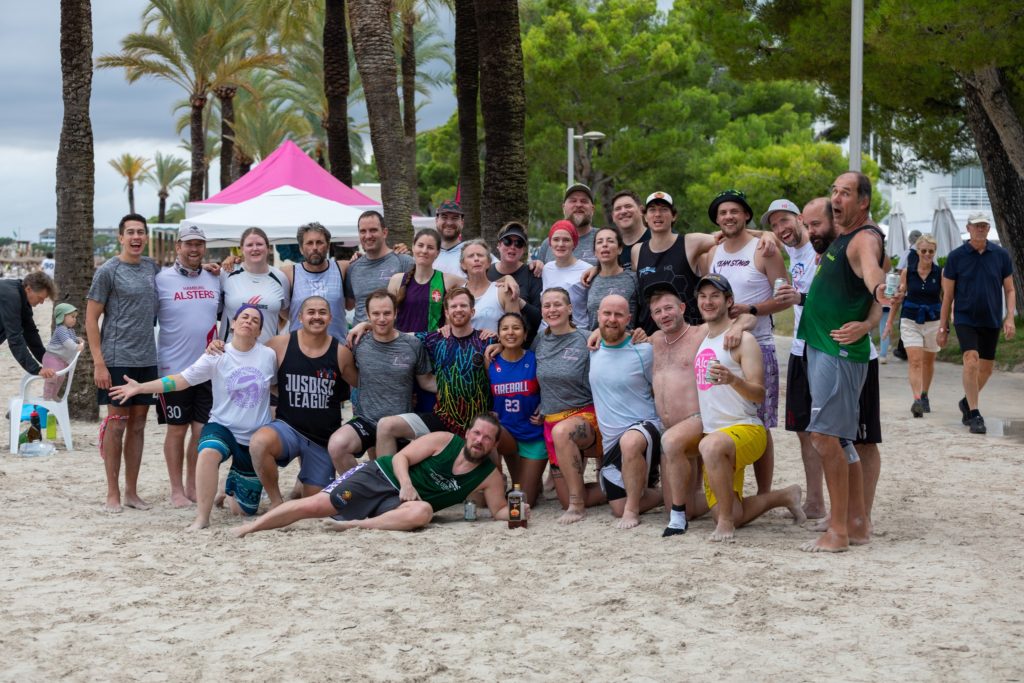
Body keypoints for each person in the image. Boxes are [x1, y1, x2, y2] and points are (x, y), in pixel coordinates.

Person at [110, 304, 276, 530]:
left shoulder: (268, 356)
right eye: (244, 317)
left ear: (259, 331)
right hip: (223, 427)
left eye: (255, 320)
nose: (249, 321)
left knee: (243, 511)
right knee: (208, 451)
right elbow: (181, 380)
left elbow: (276, 387)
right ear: (233, 324)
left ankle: (224, 490)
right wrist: (140, 387)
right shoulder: (217, 355)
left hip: (254, 438)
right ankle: (202, 518)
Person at [798, 172, 893, 553]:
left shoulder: (864, 239)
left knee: (824, 438)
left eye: (846, 193)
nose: (836, 198)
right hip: (826, 348)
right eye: (834, 191)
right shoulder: (843, 235)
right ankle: (856, 522)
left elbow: (872, 270)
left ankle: (837, 532)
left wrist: (880, 290)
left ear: (863, 202)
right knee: (840, 439)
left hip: (837, 352)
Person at [234, 415, 522, 536]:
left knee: (423, 512)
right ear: (468, 433)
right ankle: (250, 528)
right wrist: (406, 484)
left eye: (487, 438)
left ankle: (356, 525)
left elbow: (499, 510)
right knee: (314, 505)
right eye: (477, 433)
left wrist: (519, 511)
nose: (480, 440)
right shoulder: (445, 441)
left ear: (494, 444)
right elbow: (401, 457)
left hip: (399, 505)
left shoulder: (489, 476)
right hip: (381, 476)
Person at [777, 197, 884, 524]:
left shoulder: (860, 242)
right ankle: (837, 511)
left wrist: (869, 323)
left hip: (850, 354)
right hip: (812, 349)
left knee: (860, 439)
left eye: (815, 224)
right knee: (821, 434)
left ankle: (858, 517)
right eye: (808, 225)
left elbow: (877, 285)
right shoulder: (823, 249)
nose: (810, 231)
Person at [692, 274, 805, 542]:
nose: (708, 301)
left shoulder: (744, 340)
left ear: (729, 301)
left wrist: (732, 380)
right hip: (714, 433)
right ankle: (784, 496)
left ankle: (726, 525)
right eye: (703, 296)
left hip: (745, 428)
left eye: (715, 296)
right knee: (731, 510)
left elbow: (759, 394)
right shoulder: (702, 337)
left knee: (710, 447)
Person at [646, 281, 754, 536]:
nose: (664, 315)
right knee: (689, 508)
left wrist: (737, 327)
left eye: (669, 308)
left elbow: (748, 317)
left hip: (698, 420)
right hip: (670, 428)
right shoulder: (654, 340)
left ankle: (678, 518)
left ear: (683, 308)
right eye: (658, 311)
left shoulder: (700, 333)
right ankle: (729, 501)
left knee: (671, 444)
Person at [706, 190, 791, 495]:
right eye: (723, 213)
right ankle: (729, 489)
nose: (728, 217)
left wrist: (751, 309)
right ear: (717, 219)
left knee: (760, 422)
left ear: (746, 215)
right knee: (726, 420)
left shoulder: (765, 249)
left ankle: (764, 493)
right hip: (721, 348)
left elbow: (785, 298)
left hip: (759, 345)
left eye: (735, 211)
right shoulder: (712, 252)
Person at [246, 296, 358, 507]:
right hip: (287, 428)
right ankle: (276, 502)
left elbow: (361, 384)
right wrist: (218, 347)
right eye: (311, 312)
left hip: (322, 439)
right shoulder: (279, 344)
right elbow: (246, 357)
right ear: (300, 317)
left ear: (330, 317)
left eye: (322, 312)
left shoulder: (341, 353)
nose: (317, 317)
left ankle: (302, 483)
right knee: (259, 443)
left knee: (313, 502)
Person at [86, 213, 162, 514]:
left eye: (140, 232)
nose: (136, 237)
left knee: (139, 425)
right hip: (117, 359)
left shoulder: (151, 267)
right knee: (116, 424)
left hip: (147, 358)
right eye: (130, 232)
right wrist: (99, 363)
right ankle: (112, 493)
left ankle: (131, 491)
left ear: (146, 237)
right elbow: (91, 318)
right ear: (121, 237)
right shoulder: (108, 270)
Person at [374, 287, 495, 454]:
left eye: (463, 305)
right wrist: (366, 325)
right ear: (446, 312)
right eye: (453, 306)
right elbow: (396, 335)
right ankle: (385, 472)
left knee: (491, 464)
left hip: (477, 423)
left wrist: (500, 343)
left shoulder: (487, 340)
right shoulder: (435, 339)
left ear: (472, 311)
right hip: (441, 419)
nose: (458, 309)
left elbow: (512, 348)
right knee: (386, 426)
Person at [153, 225, 221, 507]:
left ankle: (193, 485)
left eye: (199, 244)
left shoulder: (215, 278)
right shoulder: (161, 280)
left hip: (207, 369)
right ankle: (176, 490)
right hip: (173, 370)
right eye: (189, 244)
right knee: (177, 430)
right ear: (178, 246)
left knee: (201, 431)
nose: (194, 249)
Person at [328, 290, 433, 470]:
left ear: (396, 313)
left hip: (399, 424)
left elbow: (426, 381)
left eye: (387, 313)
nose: (382, 319)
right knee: (337, 446)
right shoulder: (358, 342)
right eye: (376, 314)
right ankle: (359, 485)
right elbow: (345, 371)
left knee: (387, 472)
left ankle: (382, 483)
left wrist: (457, 388)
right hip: (367, 420)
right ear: (368, 315)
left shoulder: (412, 344)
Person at [588, 295, 664, 529]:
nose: (612, 319)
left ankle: (632, 511)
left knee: (630, 442)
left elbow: (661, 388)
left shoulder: (644, 350)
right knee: (617, 507)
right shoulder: (591, 347)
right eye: (607, 313)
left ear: (628, 319)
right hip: (612, 442)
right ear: (598, 316)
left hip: (644, 428)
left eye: (618, 315)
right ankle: (669, 493)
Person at [939, 211, 1016, 434]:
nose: (980, 229)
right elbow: (947, 296)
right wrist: (943, 327)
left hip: (991, 318)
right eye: (976, 225)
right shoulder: (956, 257)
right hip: (965, 318)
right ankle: (974, 414)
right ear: (968, 228)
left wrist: (1010, 317)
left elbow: (1010, 290)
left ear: (988, 228)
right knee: (971, 361)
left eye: (984, 225)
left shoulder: (1001, 255)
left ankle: (966, 402)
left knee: (986, 370)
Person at [532, 288, 605, 523]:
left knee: (562, 432)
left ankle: (577, 506)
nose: (552, 310)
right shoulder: (540, 340)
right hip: (551, 420)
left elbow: (619, 336)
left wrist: (605, 331)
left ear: (570, 308)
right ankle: (621, 488)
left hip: (584, 416)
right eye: (547, 306)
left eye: (558, 304)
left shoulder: (587, 338)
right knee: (563, 498)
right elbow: (523, 361)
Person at [633, 191, 719, 332]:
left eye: (664, 209)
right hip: (651, 337)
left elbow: (727, 235)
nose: (658, 214)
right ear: (645, 217)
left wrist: (760, 234)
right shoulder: (637, 251)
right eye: (652, 210)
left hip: (690, 334)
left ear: (674, 216)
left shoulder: (691, 242)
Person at [489, 312, 546, 505]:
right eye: (505, 328)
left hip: (533, 433)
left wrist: (545, 407)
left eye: (516, 328)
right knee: (488, 432)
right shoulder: (491, 361)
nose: (510, 332)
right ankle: (497, 484)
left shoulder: (536, 359)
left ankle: (531, 483)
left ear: (525, 333)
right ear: (498, 334)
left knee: (525, 499)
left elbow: (551, 388)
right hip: (507, 434)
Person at [884, 233, 942, 417]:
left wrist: (946, 323)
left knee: (928, 361)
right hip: (910, 320)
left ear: (935, 252)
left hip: (933, 321)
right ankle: (917, 399)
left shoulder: (940, 273)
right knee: (915, 361)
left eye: (930, 251)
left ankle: (924, 395)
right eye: (923, 251)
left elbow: (946, 298)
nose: (927, 254)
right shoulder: (907, 272)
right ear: (917, 251)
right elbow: (898, 298)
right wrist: (889, 322)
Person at [220, 227, 290, 344]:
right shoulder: (227, 272)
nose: (255, 248)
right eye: (249, 245)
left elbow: (287, 314)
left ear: (268, 248)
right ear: (242, 249)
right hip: (231, 352)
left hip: (268, 351)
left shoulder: (280, 277)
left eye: (259, 244)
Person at [282, 222, 350, 341]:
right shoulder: (289, 273)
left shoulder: (343, 268)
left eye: (319, 242)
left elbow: (350, 305)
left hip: (338, 346)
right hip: (299, 347)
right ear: (301, 248)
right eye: (309, 243)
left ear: (328, 246)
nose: (314, 247)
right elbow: (284, 311)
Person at [344, 211, 414, 326]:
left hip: (393, 335)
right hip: (360, 336)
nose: (368, 236)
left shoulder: (404, 262)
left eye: (373, 230)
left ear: (385, 232)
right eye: (363, 231)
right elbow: (349, 305)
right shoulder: (353, 267)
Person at [389, 228, 465, 334]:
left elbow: (478, 287)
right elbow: (386, 315)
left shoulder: (447, 280)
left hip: (433, 342)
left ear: (437, 253)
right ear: (413, 247)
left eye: (430, 247)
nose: (424, 251)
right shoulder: (397, 280)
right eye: (420, 245)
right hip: (402, 342)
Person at [487, 221, 543, 343]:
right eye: (507, 241)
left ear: (523, 250)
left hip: (521, 346)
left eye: (519, 243)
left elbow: (540, 318)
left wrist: (518, 301)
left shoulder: (532, 274)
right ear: (498, 245)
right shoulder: (486, 272)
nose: (512, 246)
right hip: (487, 341)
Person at [1, 272, 57, 379]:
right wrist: (36, 369)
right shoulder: (11, 296)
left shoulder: (22, 298)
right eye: (40, 298)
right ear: (28, 289)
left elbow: (31, 333)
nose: (42, 302)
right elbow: (15, 339)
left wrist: (47, 361)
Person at [530, 184, 599, 268]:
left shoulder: (605, 239)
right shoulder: (548, 244)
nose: (578, 205)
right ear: (563, 208)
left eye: (584, 201)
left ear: (592, 209)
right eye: (573, 201)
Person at [461, 239, 521, 333]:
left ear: (489, 263)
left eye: (480, 255)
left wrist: (497, 340)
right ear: (463, 264)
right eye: (471, 256)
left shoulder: (504, 292)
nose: (476, 259)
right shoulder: (456, 295)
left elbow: (517, 329)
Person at [540, 220, 591, 329]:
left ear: (574, 243)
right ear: (550, 243)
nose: (560, 244)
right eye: (556, 239)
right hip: (546, 332)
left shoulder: (587, 270)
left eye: (566, 240)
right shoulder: (546, 269)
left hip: (576, 331)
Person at [586, 226, 639, 330]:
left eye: (610, 241)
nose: (605, 245)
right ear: (595, 252)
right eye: (600, 242)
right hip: (595, 339)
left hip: (625, 338)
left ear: (620, 249)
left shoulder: (633, 278)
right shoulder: (589, 279)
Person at [432, 199, 496, 276]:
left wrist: (507, 277)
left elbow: (501, 271)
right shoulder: (427, 252)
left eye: (455, 218)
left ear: (462, 222)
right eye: (444, 217)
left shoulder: (474, 250)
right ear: (436, 220)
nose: (449, 223)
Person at [41, 302, 84, 399]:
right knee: (52, 377)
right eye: (72, 317)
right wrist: (76, 347)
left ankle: (54, 395)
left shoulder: (69, 330)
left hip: (61, 359)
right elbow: (67, 342)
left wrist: (77, 339)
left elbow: (71, 339)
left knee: (61, 378)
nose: (75, 319)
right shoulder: (60, 329)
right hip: (52, 357)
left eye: (75, 317)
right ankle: (47, 397)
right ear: (62, 317)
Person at [608, 190, 650, 269]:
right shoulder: (612, 249)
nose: (623, 211)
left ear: (641, 210)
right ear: (613, 217)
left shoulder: (658, 239)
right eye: (618, 209)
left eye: (628, 206)